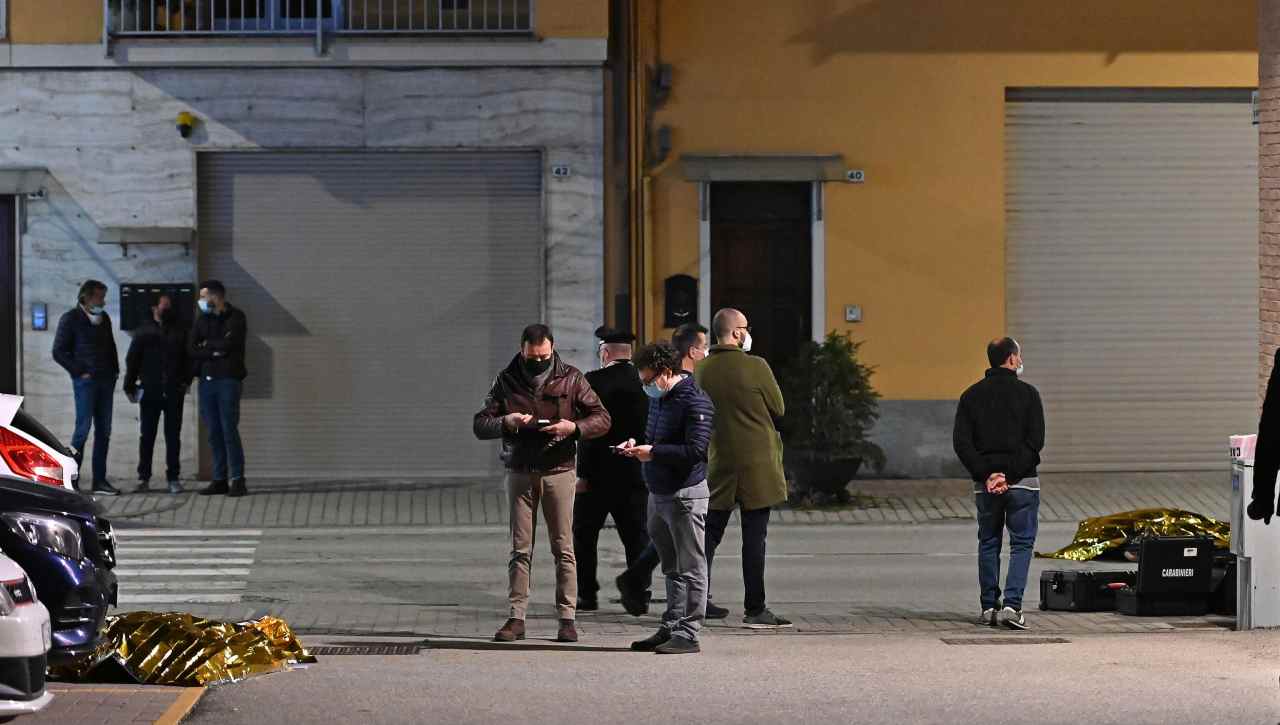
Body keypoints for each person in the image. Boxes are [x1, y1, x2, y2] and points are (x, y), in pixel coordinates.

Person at [474, 324, 611, 644]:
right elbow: (481, 423)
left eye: (544, 356)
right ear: (522, 350)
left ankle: (567, 618)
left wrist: (573, 427)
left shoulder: (572, 378)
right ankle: (516, 617)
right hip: (520, 470)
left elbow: (602, 418)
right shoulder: (506, 379)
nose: (538, 361)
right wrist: (506, 422)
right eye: (532, 356)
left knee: (564, 548)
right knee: (520, 548)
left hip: (559, 469)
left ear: (553, 350)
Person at [695, 308, 791, 628]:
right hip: (757, 464)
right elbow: (778, 407)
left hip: (719, 461)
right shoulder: (756, 366)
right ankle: (755, 608)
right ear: (736, 333)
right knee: (754, 539)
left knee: (709, 536)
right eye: (746, 328)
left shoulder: (702, 370)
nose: (749, 332)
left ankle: (697, 598)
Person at [621, 342, 714, 655]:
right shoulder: (661, 399)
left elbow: (696, 451)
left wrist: (655, 452)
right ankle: (672, 624)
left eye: (648, 381)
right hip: (658, 492)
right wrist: (637, 444)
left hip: (685, 495)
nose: (645, 386)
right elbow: (656, 438)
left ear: (665, 372)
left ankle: (689, 632)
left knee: (692, 566)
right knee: (671, 567)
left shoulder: (695, 400)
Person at [953, 336, 1045, 631]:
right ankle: (1012, 607)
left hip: (987, 486)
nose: (1020, 360)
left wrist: (988, 474)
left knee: (989, 542)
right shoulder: (1029, 395)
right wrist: (1011, 474)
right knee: (1021, 544)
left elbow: (962, 443)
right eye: (1018, 356)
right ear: (1011, 359)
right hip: (1023, 484)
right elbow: (1035, 441)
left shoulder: (971, 396)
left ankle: (988, 607)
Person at [573, 327, 652, 613]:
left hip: (597, 474)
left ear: (605, 353)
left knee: (584, 536)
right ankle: (639, 593)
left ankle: (586, 595)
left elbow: (585, 433)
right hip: (635, 473)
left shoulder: (591, 381)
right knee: (637, 536)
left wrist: (581, 474)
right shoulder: (644, 382)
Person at [52, 280, 121, 496]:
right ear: (86, 298)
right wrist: (79, 370)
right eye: (99, 297)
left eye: (103, 297)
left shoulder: (104, 318)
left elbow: (111, 346)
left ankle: (99, 481)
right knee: (82, 430)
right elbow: (59, 351)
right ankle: (71, 481)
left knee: (104, 431)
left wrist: (115, 371)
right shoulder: (71, 318)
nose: (103, 301)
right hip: (86, 382)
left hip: (106, 380)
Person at [123, 293, 190, 494]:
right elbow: (132, 360)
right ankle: (144, 478)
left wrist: (185, 382)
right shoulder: (143, 332)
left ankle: (173, 478)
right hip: (150, 390)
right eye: (164, 306)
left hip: (173, 391)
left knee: (173, 436)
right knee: (147, 436)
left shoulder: (179, 331)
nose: (167, 310)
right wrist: (130, 386)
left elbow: (187, 359)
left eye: (169, 306)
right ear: (154, 308)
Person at [189, 280, 248, 498]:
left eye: (204, 296)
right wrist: (212, 349)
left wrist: (207, 346)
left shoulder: (236, 317)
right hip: (207, 381)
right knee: (213, 432)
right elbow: (192, 348)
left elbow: (230, 345)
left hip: (228, 380)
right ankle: (219, 479)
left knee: (228, 430)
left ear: (216, 296)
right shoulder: (202, 319)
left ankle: (238, 479)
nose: (202, 301)